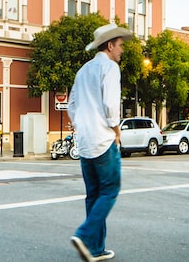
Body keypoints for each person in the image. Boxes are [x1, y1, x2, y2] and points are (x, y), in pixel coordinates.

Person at [67, 22, 128, 262]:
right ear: (110, 45)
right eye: (120, 45)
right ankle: (84, 235)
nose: (122, 50)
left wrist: (80, 126)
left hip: (84, 141)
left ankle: (96, 249)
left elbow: (71, 105)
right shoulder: (110, 68)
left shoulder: (83, 70)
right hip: (103, 140)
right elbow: (111, 105)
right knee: (110, 191)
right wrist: (116, 130)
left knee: (93, 195)